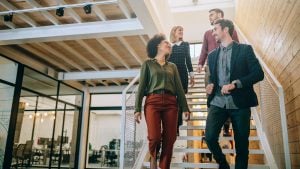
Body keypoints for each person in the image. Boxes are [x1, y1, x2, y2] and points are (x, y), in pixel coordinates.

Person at [205, 19, 264, 169]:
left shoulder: (245, 50)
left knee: (242, 145)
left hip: (240, 103)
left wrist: (235, 84)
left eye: (215, 29)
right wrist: (209, 85)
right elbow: (212, 78)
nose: (213, 33)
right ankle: (223, 165)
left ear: (225, 30)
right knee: (210, 138)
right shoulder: (211, 56)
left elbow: (258, 74)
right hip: (217, 102)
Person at [134, 33, 190, 169]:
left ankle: (164, 166)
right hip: (153, 102)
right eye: (166, 43)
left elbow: (179, 88)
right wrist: (137, 109)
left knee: (170, 139)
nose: (169, 45)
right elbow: (141, 88)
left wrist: (185, 107)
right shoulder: (147, 64)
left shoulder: (172, 66)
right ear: (158, 45)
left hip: (171, 103)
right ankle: (153, 157)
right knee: (154, 137)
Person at [197, 8, 239, 137]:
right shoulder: (207, 33)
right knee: (211, 96)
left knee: (227, 95)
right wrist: (200, 63)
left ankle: (226, 127)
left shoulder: (230, 30)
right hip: (211, 68)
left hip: (227, 67)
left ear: (220, 15)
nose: (209, 17)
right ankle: (212, 126)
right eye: (209, 15)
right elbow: (204, 49)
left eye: (212, 15)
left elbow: (236, 45)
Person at [169, 25, 195, 136]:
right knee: (172, 102)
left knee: (180, 102)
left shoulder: (185, 45)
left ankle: (177, 127)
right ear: (174, 32)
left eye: (182, 31)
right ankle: (172, 125)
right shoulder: (169, 47)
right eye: (179, 30)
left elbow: (188, 60)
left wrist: (192, 75)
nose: (181, 32)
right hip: (171, 76)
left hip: (183, 75)